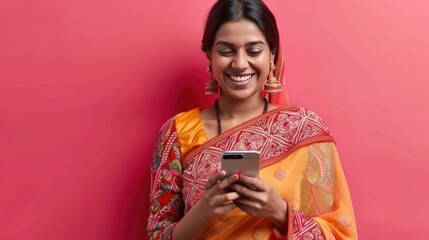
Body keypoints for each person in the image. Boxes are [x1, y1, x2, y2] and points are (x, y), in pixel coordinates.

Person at [147, 0, 358, 239]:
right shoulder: (177, 133)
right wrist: (205, 211)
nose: (239, 63)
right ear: (209, 57)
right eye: (226, 51)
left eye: (254, 51)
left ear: (272, 55)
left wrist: (278, 211)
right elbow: (157, 236)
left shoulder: (304, 129)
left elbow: (340, 233)